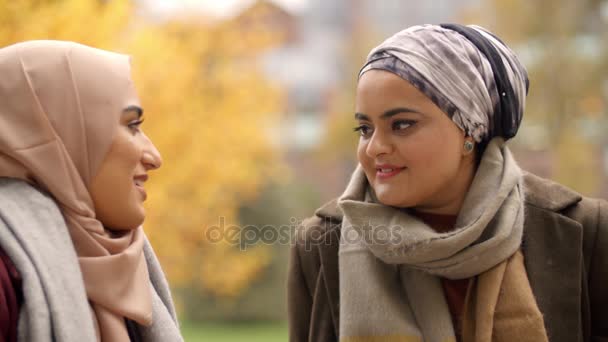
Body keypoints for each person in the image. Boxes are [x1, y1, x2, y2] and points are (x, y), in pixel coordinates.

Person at [288, 24, 608, 342]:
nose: (374, 148)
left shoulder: (585, 233)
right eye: (365, 129)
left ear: (470, 129)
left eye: (401, 125)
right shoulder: (321, 244)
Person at [0, 40, 183, 341]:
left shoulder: (120, 258)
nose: (154, 157)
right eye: (132, 125)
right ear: (59, 135)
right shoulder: (6, 275)